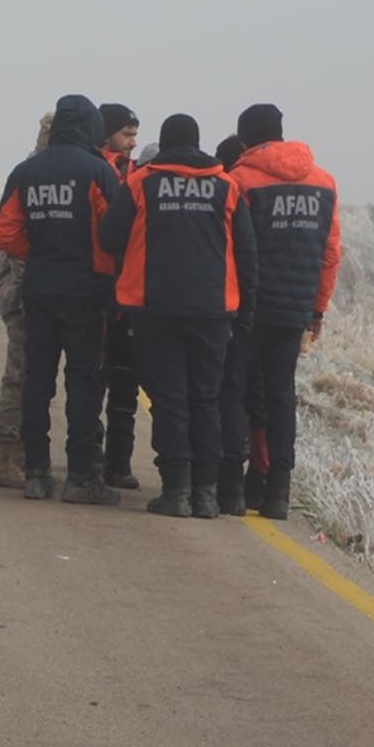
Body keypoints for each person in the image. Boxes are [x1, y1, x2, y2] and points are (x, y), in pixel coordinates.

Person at [0, 95, 135, 504]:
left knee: (38, 381)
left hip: (39, 289)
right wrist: (97, 263)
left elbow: (5, 232)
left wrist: (40, 253)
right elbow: (115, 231)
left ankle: (37, 474)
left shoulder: (26, 172)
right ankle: (81, 476)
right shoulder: (97, 170)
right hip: (86, 291)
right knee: (83, 382)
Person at [117, 114, 240, 520]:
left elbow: (109, 235)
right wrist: (245, 310)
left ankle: (176, 491)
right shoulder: (227, 186)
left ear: (164, 146)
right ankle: (206, 494)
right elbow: (247, 250)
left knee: (170, 400)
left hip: (156, 307)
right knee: (206, 399)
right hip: (214, 309)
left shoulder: (141, 183)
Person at [228, 102, 341, 523]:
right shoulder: (324, 182)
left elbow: (231, 247)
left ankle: (230, 488)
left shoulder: (241, 180)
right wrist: (317, 309)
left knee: (235, 390)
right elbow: (331, 253)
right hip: (294, 309)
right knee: (280, 395)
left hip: (248, 305)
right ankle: (278, 491)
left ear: (244, 139)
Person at [0, 113, 57, 489]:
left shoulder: (39, 173)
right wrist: (30, 294)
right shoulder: (32, 176)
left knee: (30, 374)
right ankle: (3, 453)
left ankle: (20, 451)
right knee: (20, 373)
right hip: (23, 293)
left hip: (28, 290)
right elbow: (14, 241)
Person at [212, 131, 266, 514]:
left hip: (231, 308)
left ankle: (221, 480)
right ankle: (263, 482)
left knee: (225, 392)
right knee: (267, 395)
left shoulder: (233, 188)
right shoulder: (316, 183)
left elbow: (238, 254)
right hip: (280, 309)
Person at [96, 103, 146, 490]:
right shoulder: (96, 170)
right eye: (126, 134)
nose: (132, 142)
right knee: (92, 380)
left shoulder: (136, 175)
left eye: (135, 135)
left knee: (125, 384)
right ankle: (89, 459)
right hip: (97, 289)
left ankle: (117, 462)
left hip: (127, 295)